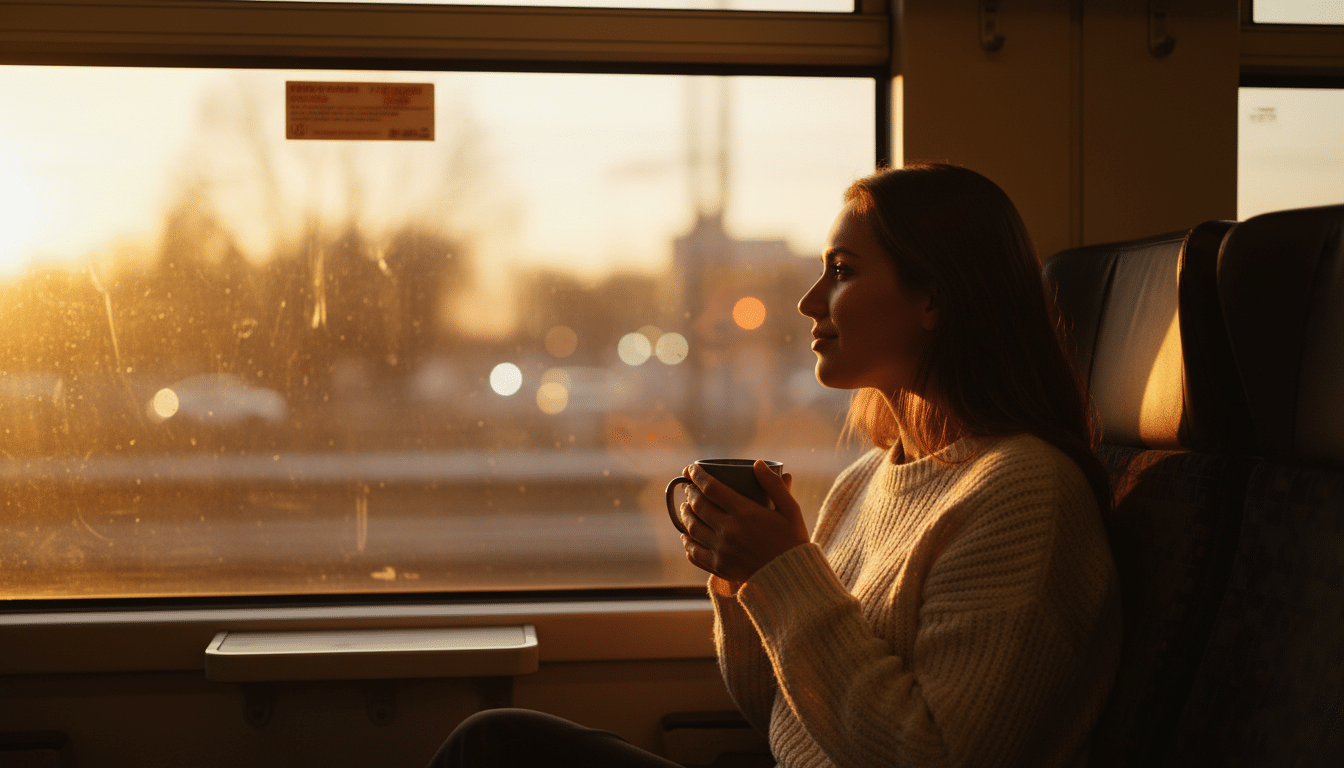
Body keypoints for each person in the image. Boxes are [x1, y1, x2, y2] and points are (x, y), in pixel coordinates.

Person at [427, 162, 1121, 768]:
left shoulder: (1026, 493)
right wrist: (742, 582)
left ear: (933, 299)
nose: (808, 301)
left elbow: (931, 756)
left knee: (493, 749)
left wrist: (785, 575)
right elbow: (783, 718)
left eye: (842, 272)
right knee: (496, 743)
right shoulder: (868, 482)